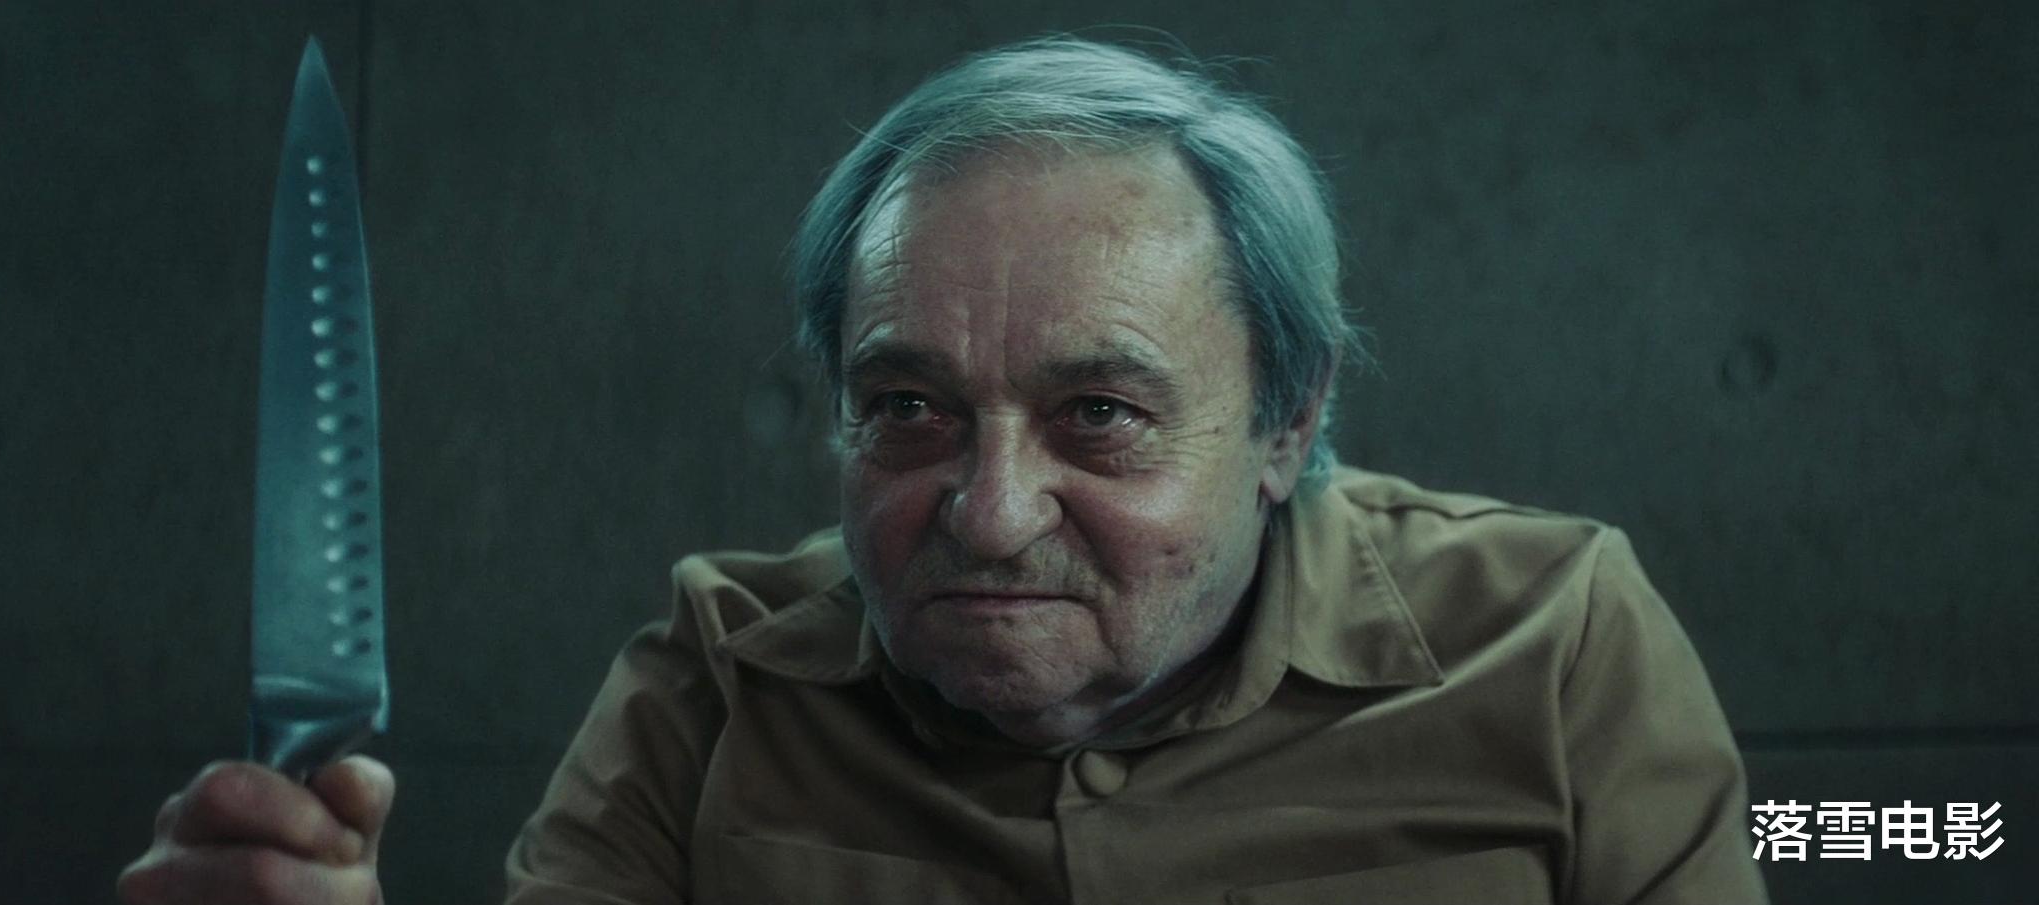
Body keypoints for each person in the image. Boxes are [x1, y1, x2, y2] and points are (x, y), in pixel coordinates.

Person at [120, 36, 1767, 905]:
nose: (986, 512)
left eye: (1099, 414)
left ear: (1289, 418)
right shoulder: (714, 682)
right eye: (907, 404)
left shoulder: (1556, 643)